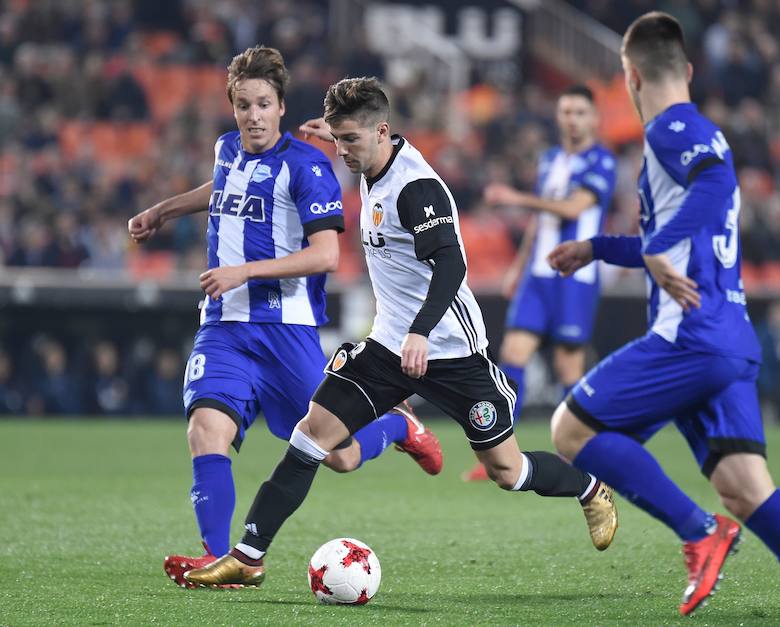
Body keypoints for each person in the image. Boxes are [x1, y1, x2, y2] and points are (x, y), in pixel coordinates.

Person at [183, 76, 619, 588]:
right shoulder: (371, 153)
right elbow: (356, 140)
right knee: (310, 437)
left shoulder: (417, 189)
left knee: (508, 471)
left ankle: (589, 489)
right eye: (338, 139)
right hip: (389, 347)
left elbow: (452, 267)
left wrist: (421, 332)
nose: (342, 151)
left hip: (452, 351)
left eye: (352, 140)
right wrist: (339, 134)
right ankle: (248, 556)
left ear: (382, 131)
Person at [547, 13, 780, 627]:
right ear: (690, 71)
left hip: (690, 336)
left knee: (571, 429)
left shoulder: (672, 129)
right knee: (748, 488)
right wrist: (599, 247)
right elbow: (675, 233)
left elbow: (714, 184)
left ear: (629, 76)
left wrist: (652, 248)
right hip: (727, 336)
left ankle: (699, 531)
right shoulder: (698, 131)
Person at [126, 47, 443, 589]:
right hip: (224, 326)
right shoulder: (227, 150)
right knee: (206, 431)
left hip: (285, 331)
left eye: (264, 104)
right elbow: (222, 189)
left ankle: (397, 425)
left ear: (280, 107)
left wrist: (245, 271)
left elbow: (325, 256)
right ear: (232, 107)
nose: (253, 115)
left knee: (337, 456)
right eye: (244, 104)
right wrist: (163, 210)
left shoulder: (308, 166)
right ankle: (224, 562)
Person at [465, 84, 616, 481]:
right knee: (512, 357)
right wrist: (518, 266)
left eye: (580, 112)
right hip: (538, 276)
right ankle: (501, 455)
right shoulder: (551, 159)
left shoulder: (601, 161)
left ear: (594, 119)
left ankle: (579, 453)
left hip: (574, 277)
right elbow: (541, 221)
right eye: (566, 111)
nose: (572, 119)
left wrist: (513, 196)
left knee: (568, 367)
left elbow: (571, 208)